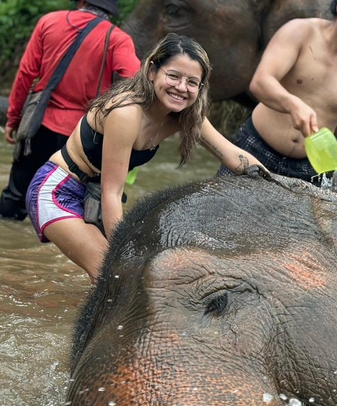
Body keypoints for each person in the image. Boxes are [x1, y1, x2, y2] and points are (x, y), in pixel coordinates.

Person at [25, 33, 263, 282]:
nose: (181, 88)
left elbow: (232, 155)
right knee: (114, 276)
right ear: (152, 71)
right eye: (173, 76)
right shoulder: (126, 113)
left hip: (93, 196)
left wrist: (275, 181)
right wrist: (123, 252)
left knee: (133, 277)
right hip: (57, 190)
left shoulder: (187, 117)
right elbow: (112, 193)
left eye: (192, 82)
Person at [218, 0, 337, 183]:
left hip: (312, 169)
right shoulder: (300, 33)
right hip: (256, 148)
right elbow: (261, 82)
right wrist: (292, 104)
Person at [0, 0, 141, 220]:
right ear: (112, 10)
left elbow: (26, 74)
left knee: (15, 197)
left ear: (81, 1)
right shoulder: (118, 39)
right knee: (70, 204)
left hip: (38, 127)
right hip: (83, 137)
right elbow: (134, 86)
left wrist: (13, 119)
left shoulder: (49, 22)